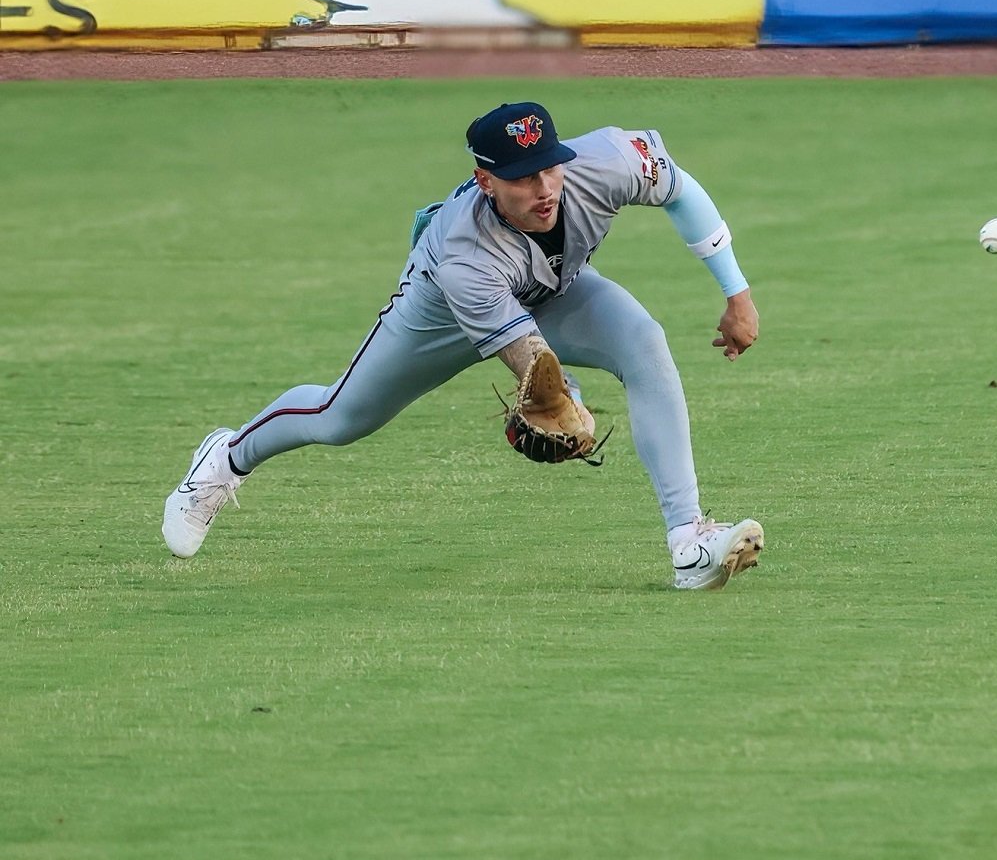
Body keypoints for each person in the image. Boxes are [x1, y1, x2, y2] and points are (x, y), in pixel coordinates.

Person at [162, 101, 764, 590]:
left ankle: (689, 541)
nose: (544, 185)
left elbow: (682, 192)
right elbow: (531, 359)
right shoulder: (464, 255)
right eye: (523, 176)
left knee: (644, 342)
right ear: (486, 180)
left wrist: (736, 293)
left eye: (549, 166)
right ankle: (226, 457)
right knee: (340, 416)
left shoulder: (604, 160)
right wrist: (568, 400)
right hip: (440, 314)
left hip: (556, 285)